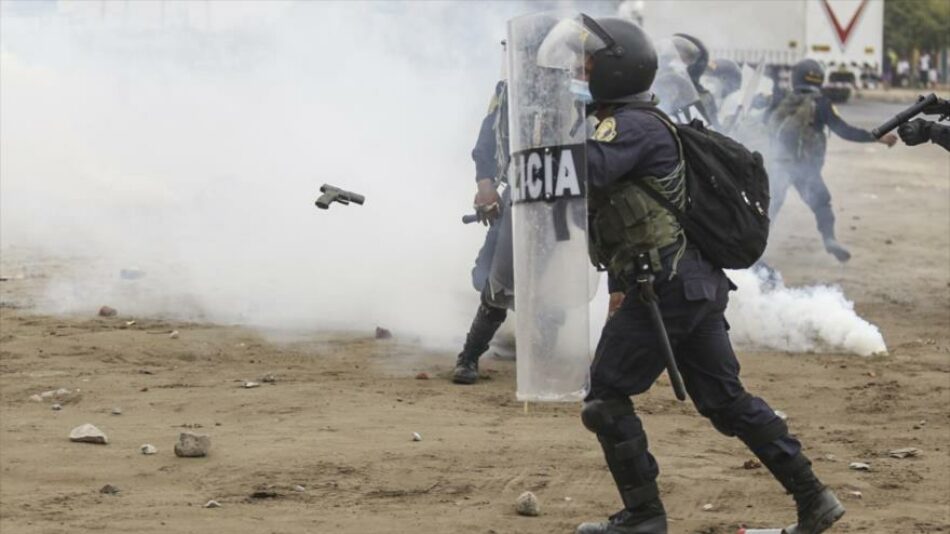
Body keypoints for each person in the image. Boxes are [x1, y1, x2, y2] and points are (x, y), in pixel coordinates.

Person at [569, 17, 847, 534]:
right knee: (726, 402)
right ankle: (814, 497)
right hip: (692, 283)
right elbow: (629, 223)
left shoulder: (629, 126)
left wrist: (547, 127)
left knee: (605, 397)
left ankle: (644, 516)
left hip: (669, 287)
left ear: (614, 69)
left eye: (586, 62)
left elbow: (583, 173)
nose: (578, 70)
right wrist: (619, 288)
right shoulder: (640, 121)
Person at [766, 58, 897, 263]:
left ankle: (755, 246)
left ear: (795, 78)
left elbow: (762, 125)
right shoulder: (821, 103)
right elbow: (843, 130)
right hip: (806, 167)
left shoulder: (782, 100)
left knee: (771, 206)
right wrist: (876, 137)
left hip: (778, 164)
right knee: (821, 204)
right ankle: (829, 239)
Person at [452, 72, 515, 385]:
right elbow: (487, 141)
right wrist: (485, 183)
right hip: (521, 195)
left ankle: (541, 352)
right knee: (492, 280)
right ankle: (470, 356)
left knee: (553, 285)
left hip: (563, 203)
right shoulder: (509, 93)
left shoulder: (580, 92)